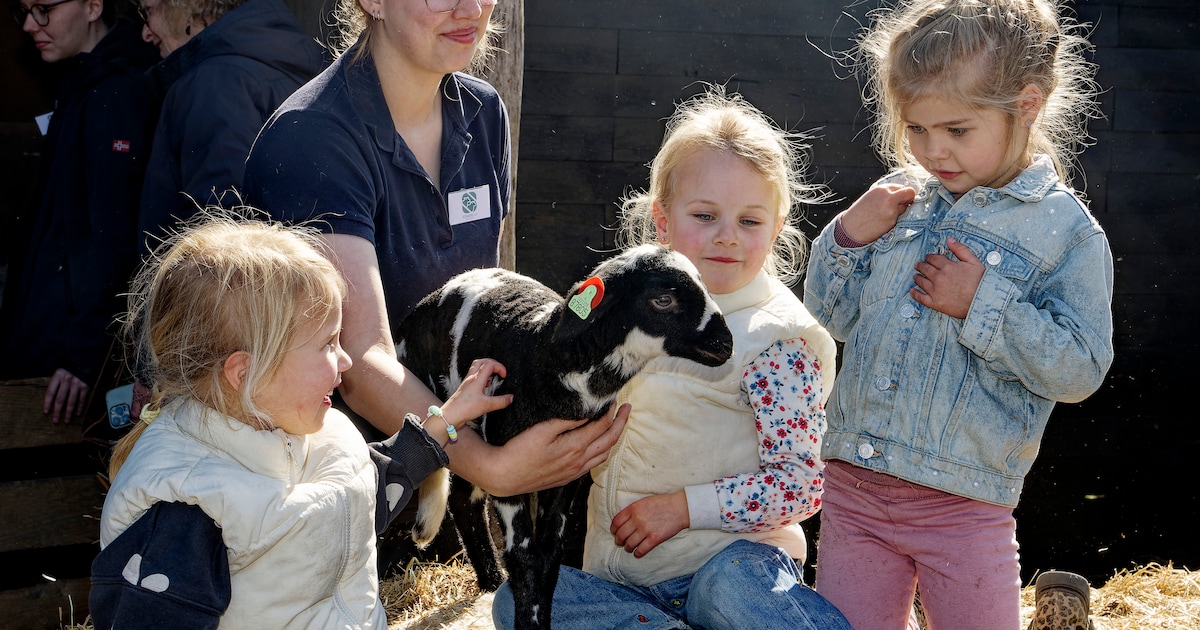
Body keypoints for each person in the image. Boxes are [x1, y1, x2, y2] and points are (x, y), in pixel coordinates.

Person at [490, 87, 853, 630]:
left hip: (738, 568)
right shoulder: (622, 314)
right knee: (517, 598)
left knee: (723, 589)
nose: (727, 237)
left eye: (750, 222)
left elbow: (800, 485)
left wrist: (684, 508)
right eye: (705, 215)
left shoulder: (776, 339)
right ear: (662, 221)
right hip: (625, 583)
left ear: (777, 228)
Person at [802, 1, 1113, 628]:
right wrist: (845, 242)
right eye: (915, 129)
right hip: (855, 490)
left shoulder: (1066, 234)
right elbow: (824, 322)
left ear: (1026, 105)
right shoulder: (902, 201)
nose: (932, 150)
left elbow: (1080, 367)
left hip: (964, 507)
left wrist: (984, 304)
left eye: (956, 130)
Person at [241, 0, 625, 506]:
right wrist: (492, 467)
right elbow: (358, 361)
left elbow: (488, 300)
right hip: (340, 492)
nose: (472, 9)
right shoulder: (312, 138)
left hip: (450, 479)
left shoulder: (484, 112)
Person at [89, 212, 512, 628]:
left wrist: (448, 417)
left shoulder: (314, 433)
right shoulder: (189, 505)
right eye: (328, 344)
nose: (346, 359)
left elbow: (359, 501)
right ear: (245, 373)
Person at [2, 0, 159, 423]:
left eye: (43, 9)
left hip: (68, 355)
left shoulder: (117, 89)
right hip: (53, 341)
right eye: (22, 12)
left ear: (93, 6)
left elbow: (112, 235)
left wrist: (81, 355)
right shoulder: (81, 80)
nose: (30, 25)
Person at [135, 0, 324, 250]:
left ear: (187, 6)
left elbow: (224, 235)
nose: (145, 32)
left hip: (234, 281)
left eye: (149, 10)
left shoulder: (214, 83)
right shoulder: (283, 61)